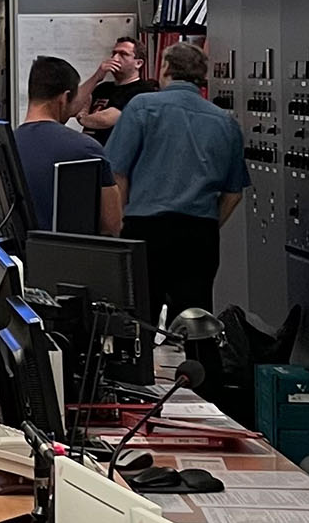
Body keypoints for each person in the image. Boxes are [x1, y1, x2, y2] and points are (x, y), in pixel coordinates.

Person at [105, 42, 249, 320]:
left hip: (145, 229)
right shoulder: (225, 122)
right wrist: (207, 223)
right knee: (195, 321)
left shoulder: (142, 107)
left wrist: (121, 223)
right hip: (199, 234)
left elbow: (117, 172)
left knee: (139, 320)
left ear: (165, 67)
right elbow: (234, 193)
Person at [16, 55, 122, 235]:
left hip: (15, 251)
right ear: (64, 98)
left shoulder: (1, 145)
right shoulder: (88, 149)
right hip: (73, 252)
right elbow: (112, 224)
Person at [74, 37, 156, 145]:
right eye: (114, 53)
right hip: (88, 147)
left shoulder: (143, 90)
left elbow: (105, 119)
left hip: (113, 150)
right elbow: (73, 105)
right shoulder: (102, 87)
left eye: (123, 54)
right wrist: (96, 77)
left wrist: (82, 117)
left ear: (138, 63)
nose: (115, 58)